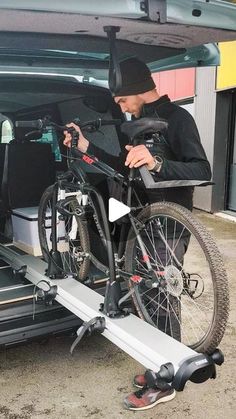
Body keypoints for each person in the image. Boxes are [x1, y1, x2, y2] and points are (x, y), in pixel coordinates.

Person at [64, 57, 211, 411]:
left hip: (169, 221)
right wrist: (86, 148)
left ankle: (166, 379)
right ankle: (156, 362)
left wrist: (158, 162)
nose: (121, 106)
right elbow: (122, 169)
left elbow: (201, 168)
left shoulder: (178, 119)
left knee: (160, 295)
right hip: (137, 219)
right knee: (143, 292)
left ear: (134, 90)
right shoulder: (136, 124)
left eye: (121, 100)